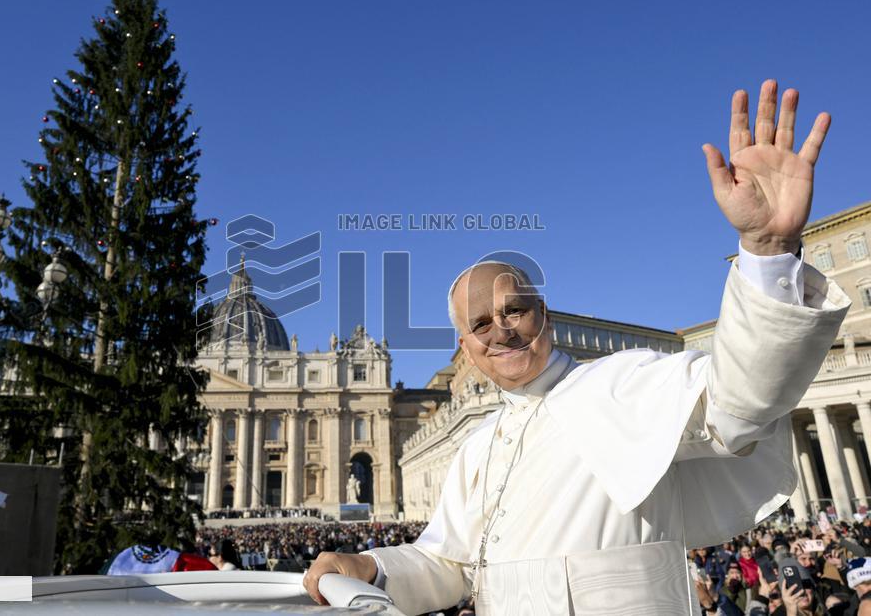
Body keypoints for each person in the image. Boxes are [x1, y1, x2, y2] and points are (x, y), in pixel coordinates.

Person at [303, 79, 852, 615]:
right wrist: (372, 567)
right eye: (481, 324)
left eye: (514, 310)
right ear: (465, 347)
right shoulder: (478, 447)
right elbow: (449, 565)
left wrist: (767, 249)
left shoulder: (625, 382)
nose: (502, 330)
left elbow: (740, 403)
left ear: (544, 315)